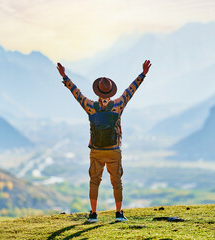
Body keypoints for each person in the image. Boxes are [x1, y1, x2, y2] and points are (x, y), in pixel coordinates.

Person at [57, 60, 151, 223]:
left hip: (96, 150)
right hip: (114, 150)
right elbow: (131, 90)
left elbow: (76, 93)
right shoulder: (119, 104)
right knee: (117, 182)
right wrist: (142, 74)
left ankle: (93, 214)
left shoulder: (90, 106)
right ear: (111, 92)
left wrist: (65, 77)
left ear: (98, 92)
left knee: (94, 181)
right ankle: (119, 214)